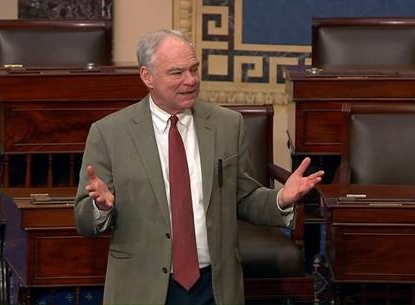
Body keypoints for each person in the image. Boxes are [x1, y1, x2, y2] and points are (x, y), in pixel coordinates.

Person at [74, 29, 324, 305]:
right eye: (177, 73)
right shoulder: (110, 133)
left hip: (214, 286)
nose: (190, 80)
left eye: (194, 69)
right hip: (141, 286)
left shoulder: (227, 125)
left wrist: (280, 198)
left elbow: (244, 198)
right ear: (147, 77)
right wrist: (102, 207)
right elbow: (84, 221)